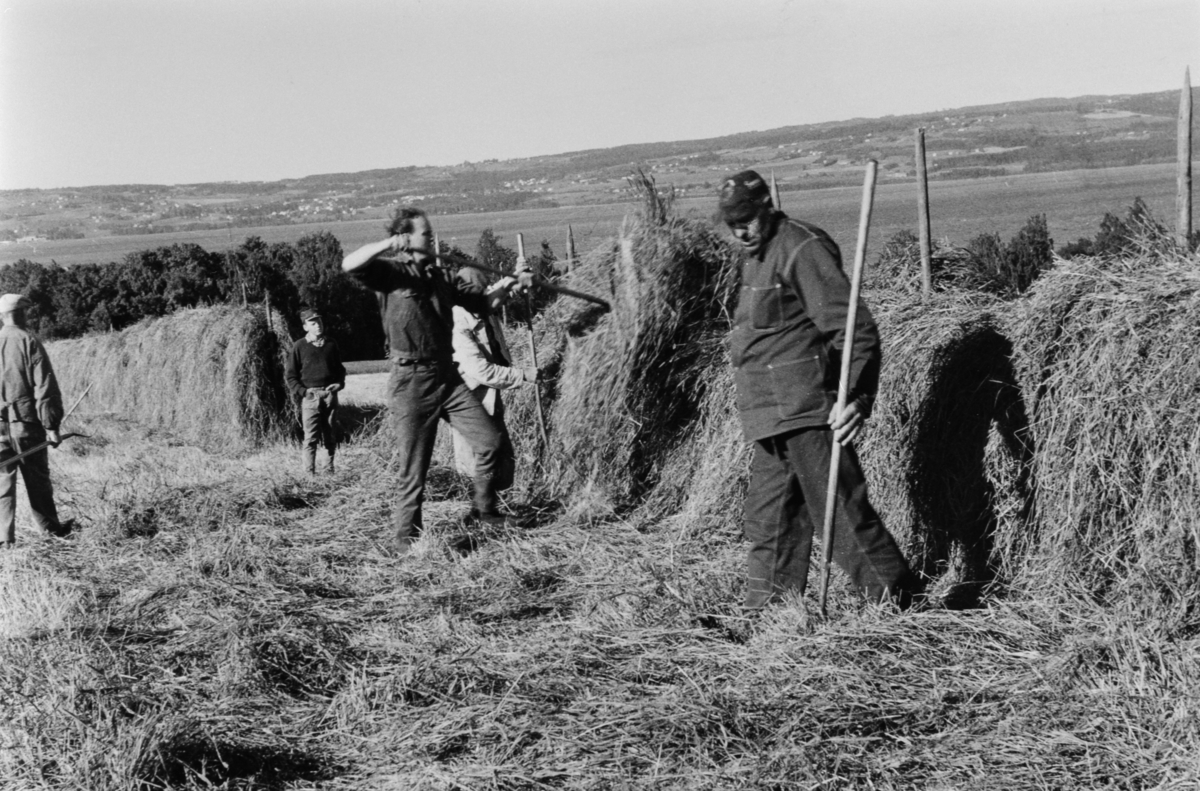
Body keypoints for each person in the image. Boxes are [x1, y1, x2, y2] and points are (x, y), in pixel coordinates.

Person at [717, 170, 919, 611]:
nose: (740, 231)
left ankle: (899, 604)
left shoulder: (801, 248)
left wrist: (856, 397)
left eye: (746, 219)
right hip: (770, 416)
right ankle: (767, 615)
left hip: (808, 409)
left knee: (842, 517)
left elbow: (853, 329)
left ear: (767, 206)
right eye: (731, 223)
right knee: (769, 520)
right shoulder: (754, 257)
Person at [342, 207, 531, 554]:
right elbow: (349, 264)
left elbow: (484, 304)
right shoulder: (391, 274)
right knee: (415, 469)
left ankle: (483, 511)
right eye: (426, 235)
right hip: (411, 382)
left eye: (432, 234)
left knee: (490, 441)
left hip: (448, 376)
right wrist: (388, 244)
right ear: (406, 239)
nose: (434, 240)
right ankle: (406, 540)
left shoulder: (440, 277)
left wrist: (511, 283)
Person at [449, 266, 539, 491]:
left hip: (489, 397)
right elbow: (480, 370)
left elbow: (495, 297)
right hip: (469, 400)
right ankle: (479, 514)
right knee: (476, 464)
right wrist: (522, 375)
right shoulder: (458, 323)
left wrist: (517, 278)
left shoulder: (476, 304)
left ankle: (502, 507)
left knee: (503, 459)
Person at [0, 293, 72, 546]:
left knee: (2, 482)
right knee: (37, 480)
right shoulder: (28, 341)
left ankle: (4, 540)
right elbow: (44, 387)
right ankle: (51, 533)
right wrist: (52, 425)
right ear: (21, 313)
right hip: (26, 425)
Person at [284, 307, 346, 475]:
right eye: (313, 323)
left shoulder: (331, 344)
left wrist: (339, 385)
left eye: (319, 321)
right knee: (310, 438)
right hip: (311, 397)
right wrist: (304, 392)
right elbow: (290, 376)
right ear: (306, 327)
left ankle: (328, 473)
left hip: (329, 395)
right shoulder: (299, 347)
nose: (318, 325)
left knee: (330, 437)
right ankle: (309, 475)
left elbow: (340, 370)